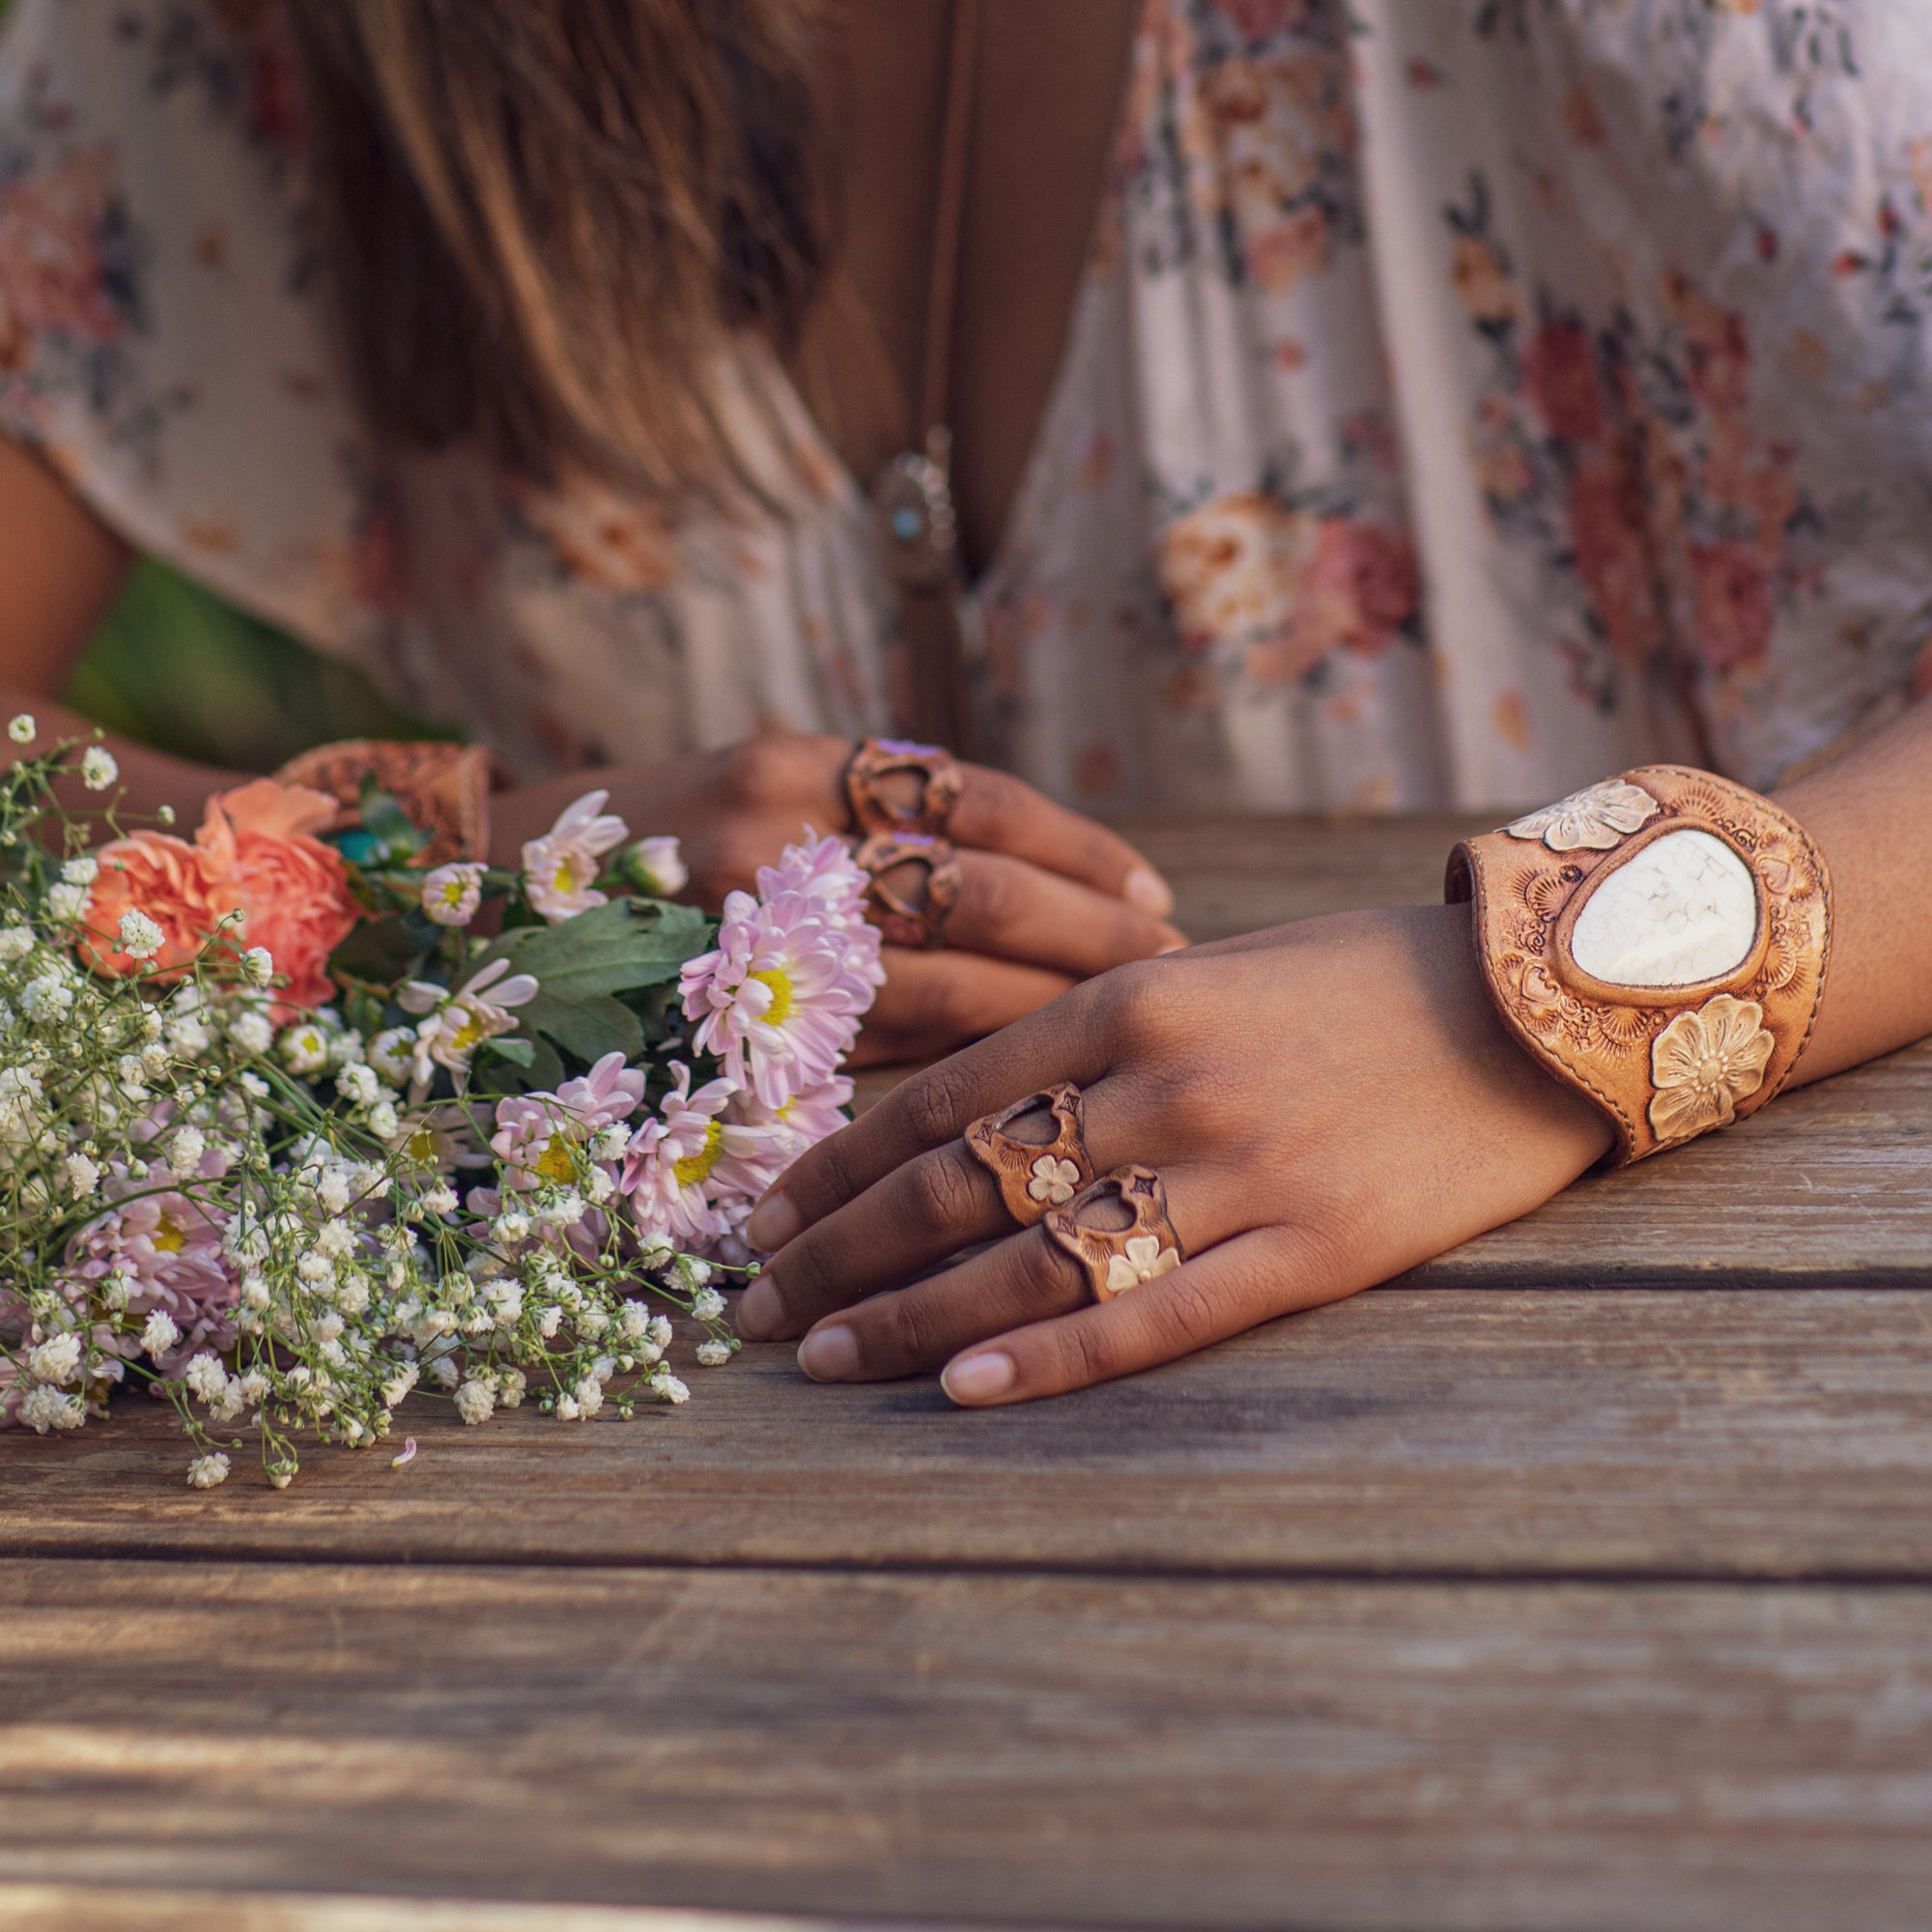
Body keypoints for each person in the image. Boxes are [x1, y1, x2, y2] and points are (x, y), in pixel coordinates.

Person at [1, 2, 1927, 1402]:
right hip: (681, 1520)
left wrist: (1539, 1000)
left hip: (1665, 1404)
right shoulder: (307, 43)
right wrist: (438, 873)